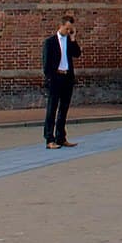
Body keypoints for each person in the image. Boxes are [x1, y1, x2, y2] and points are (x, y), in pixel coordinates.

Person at [42, 14, 81, 149]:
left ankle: (61, 137)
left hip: (67, 78)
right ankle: (49, 139)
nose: (68, 31)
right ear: (61, 26)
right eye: (67, 29)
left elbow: (77, 54)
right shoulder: (50, 42)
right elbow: (46, 64)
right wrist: (50, 78)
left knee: (63, 109)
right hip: (56, 78)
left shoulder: (69, 41)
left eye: (71, 29)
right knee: (52, 109)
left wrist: (73, 38)